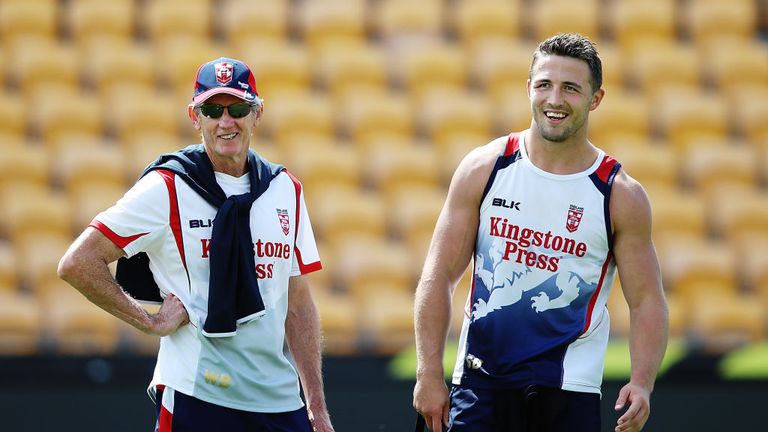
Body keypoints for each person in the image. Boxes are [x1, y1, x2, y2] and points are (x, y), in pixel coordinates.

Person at [58, 57, 334, 432]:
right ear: (194, 115)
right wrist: (148, 322)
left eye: (238, 108)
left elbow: (297, 302)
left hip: (280, 401)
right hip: (197, 395)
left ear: (257, 114)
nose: (225, 121)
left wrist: (316, 406)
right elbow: (78, 262)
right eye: (212, 109)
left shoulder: (285, 189)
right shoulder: (168, 187)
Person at [412, 34, 668, 432]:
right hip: (481, 385)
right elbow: (438, 275)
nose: (554, 99)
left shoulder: (619, 195)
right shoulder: (485, 168)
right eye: (544, 84)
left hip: (569, 392)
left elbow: (647, 300)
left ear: (595, 99)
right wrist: (428, 372)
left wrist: (642, 383)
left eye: (570, 88)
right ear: (528, 88)